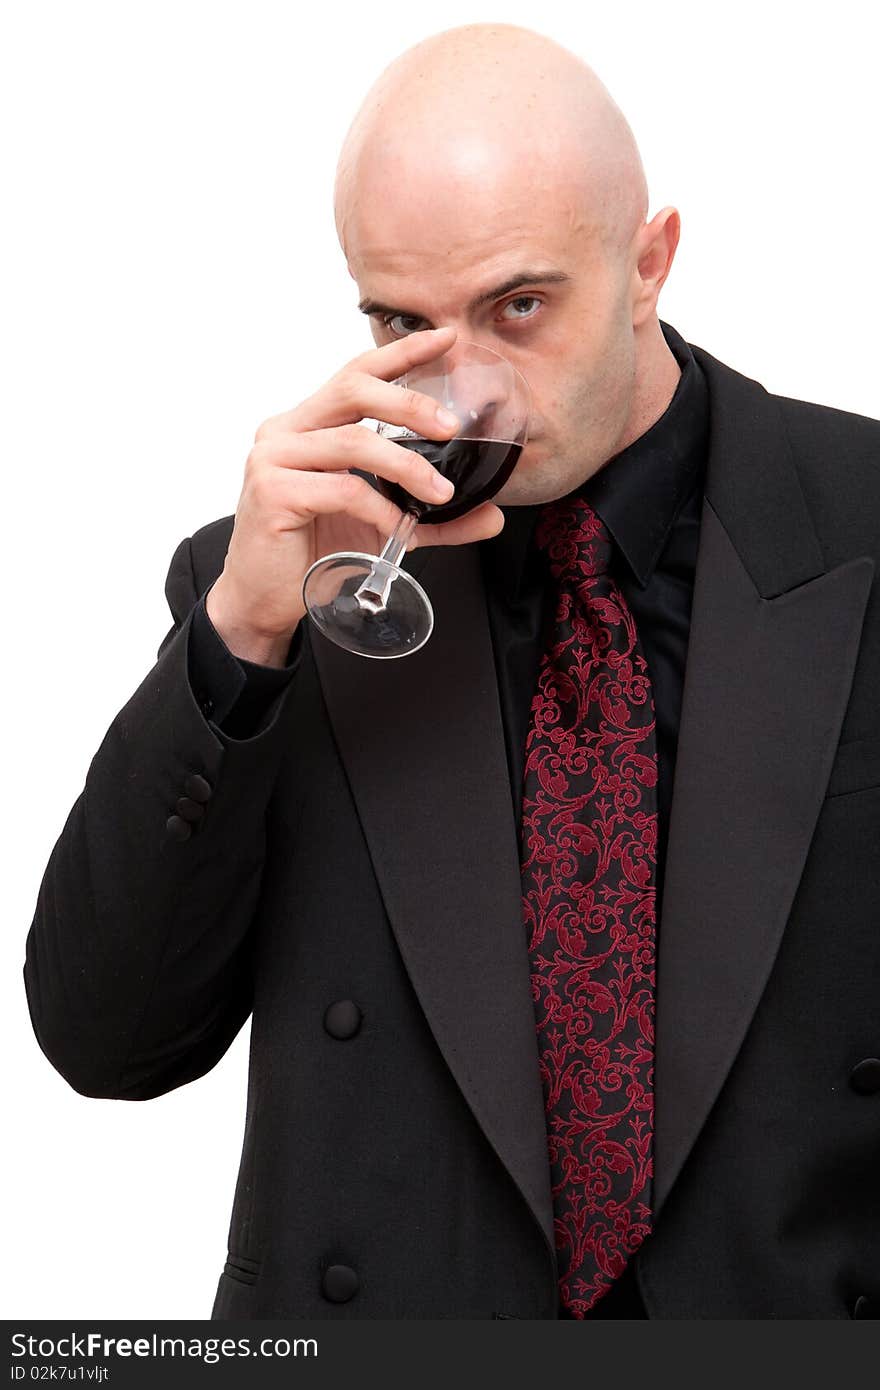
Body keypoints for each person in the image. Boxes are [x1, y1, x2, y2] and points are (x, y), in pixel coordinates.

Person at [24, 22, 880, 1320]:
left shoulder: (862, 521)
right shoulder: (291, 578)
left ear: (649, 263)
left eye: (518, 308)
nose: (462, 384)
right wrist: (240, 635)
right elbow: (106, 1038)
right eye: (401, 323)